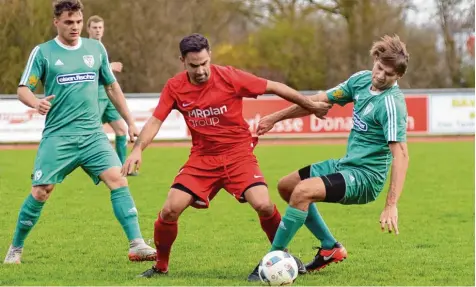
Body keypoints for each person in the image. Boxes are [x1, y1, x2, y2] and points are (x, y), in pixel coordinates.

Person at [120, 33, 331, 279]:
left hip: (238, 154)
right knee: (169, 210)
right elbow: (156, 120)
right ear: (182, 61)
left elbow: (275, 87)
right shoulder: (175, 87)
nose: (200, 71)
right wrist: (138, 149)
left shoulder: (230, 77)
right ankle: (161, 267)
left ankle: (281, 256)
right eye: (193, 65)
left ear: (210, 57)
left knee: (263, 204)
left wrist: (311, 105)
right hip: (202, 159)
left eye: (204, 63)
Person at [3, 0, 156, 264]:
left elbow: (111, 86)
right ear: (56, 22)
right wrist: (35, 102)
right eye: (68, 22)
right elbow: (22, 89)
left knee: (118, 180)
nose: (75, 27)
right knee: (41, 191)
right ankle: (15, 247)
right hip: (59, 136)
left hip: (92, 135)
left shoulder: (95, 49)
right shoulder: (43, 52)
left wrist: (130, 121)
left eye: (78, 22)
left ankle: (137, 244)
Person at [256, 35, 410, 272]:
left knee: (303, 191)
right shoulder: (360, 80)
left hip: (366, 178)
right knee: (287, 186)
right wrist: (276, 118)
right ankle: (330, 248)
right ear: (375, 59)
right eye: (379, 68)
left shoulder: (392, 104)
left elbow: (401, 154)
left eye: (388, 74)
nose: (380, 76)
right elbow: (318, 100)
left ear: (398, 76)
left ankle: (270, 262)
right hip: (346, 165)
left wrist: (391, 204)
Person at [86, 15, 136, 175]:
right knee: (93, 132)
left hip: (108, 97)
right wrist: (110, 66)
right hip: (96, 95)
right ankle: (97, 168)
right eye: (94, 27)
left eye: (100, 27)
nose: (98, 30)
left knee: (121, 130)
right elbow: (88, 68)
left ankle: (123, 168)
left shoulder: (100, 46)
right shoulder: (86, 47)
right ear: (88, 29)